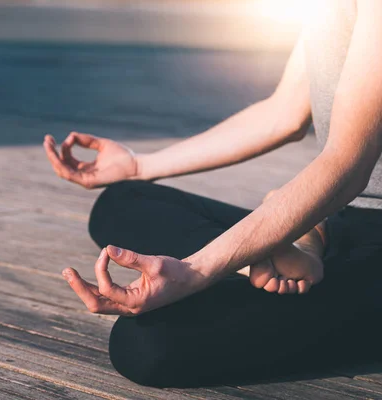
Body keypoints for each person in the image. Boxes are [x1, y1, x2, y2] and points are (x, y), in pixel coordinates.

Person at [43, 0, 382, 388]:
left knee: (147, 345)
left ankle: (266, 255)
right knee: (124, 200)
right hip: (340, 216)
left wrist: (195, 272)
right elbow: (282, 114)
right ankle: (286, 248)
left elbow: (348, 165)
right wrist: (140, 165)